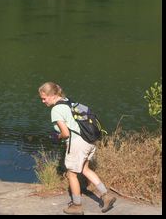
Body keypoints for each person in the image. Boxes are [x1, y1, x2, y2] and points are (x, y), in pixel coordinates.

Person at [38, 82, 116, 215]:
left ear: (52, 95)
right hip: (89, 141)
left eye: (44, 98)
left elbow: (66, 133)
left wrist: (58, 136)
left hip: (77, 143)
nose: (43, 101)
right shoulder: (69, 101)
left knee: (71, 174)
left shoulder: (56, 110)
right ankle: (106, 195)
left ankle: (76, 205)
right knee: (85, 169)